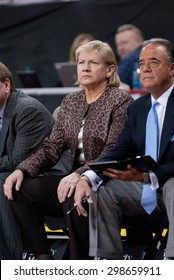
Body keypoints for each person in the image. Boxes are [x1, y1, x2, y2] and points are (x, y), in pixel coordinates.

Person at [3, 40, 133, 260]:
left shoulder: (120, 101)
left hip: (106, 178)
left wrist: (80, 174)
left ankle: (78, 264)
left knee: (76, 196)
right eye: (81, 62)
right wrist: (22, 170)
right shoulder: (71, 101)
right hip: (72, 179)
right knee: (19, 189)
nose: (85, 67)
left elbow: (114, 149)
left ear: (109, 70)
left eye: (93, 62)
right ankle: (43, 258)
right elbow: (51, 147)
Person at [74, 38, 174, 260]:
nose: (145, 69)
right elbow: (121, 148)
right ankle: (106, 260)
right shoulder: (138, 107)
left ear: (172, 68)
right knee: (103, 189)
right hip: (144, 186)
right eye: (141, 63)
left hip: (168, 182)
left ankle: (171, 260)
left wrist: (151, 175)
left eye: (154, 62)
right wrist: (87, 176)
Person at [0, 61, 55, 260]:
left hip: (46, 173)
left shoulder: (27, 110)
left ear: (6, 85)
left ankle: (10, 261)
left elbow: (19, 160)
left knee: (4, 181)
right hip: (16, 171)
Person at [115, 24, 144, 88]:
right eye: (118, 45)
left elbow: (113, 80)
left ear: (139, 41)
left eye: (124, 43)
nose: (120, 48)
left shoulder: (135, 56)